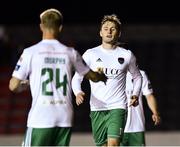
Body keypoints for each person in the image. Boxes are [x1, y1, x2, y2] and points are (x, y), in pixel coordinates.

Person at [9, 8, 107, 146]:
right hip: (64, 117)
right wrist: (101, 76)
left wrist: (26, 84)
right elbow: (93, 77)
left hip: (40, 117)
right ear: (60, 28)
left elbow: (13, 85)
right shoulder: (71, 53)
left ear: (41, 26)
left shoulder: (30, 52)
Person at [71, 14, 142, 146]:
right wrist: (78, 92)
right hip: (97, 108)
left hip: (118, 106)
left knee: (113, 144)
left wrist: (135, 94)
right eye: (106, 28)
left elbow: (137, 76)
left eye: (113, 28)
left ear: (119, 33)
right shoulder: (90, 54)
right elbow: (77, 78)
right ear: (100, 32)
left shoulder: (127, 55)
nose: (109, 31)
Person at [121, 70, 161, 146]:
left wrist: (155, 112)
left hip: (137, 126)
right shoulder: (112, 74)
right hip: (116, 126)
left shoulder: (141, 74)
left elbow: (149, 96)